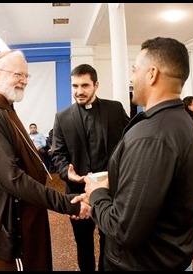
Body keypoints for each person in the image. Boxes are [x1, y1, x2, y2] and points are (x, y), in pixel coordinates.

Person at [72, 37, 193, 271]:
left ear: (152, 74)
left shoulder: (151, 136)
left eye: (134, 70)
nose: (131, 78)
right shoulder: (180, 120)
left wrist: (97, 194)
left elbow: (124, 229)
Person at [0, 50, 90, 271]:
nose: (25, 81)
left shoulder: (1, 109)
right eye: (18, 74)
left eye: (27, 76)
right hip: (8, 228)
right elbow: (13, 179)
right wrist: (68, 204)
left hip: (20, 216)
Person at [51, 63, 130, 271]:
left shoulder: (115, 109)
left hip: (111, 192)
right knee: (83, 244)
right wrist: (67, 174)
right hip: (78, 193)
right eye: (75, 86)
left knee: (110, 242)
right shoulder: (62, 117)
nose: (79, 91)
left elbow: (129, 143)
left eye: (84, 85)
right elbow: (58, 154)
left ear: (96, 84)